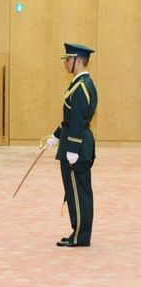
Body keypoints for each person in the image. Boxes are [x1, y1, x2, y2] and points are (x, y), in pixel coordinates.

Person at [45, 43, 98, 247]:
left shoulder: (83, 85)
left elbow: (79, 119)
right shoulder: (79, 84)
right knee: (75, 190)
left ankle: (81, 236)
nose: (65, 63)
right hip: (71, 142)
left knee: (79, 192)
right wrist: (56, 135)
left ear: (77, 60)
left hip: (76, 146)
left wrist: (73, 148)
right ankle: (78, 232)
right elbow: (70, 118)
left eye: (67, 59)